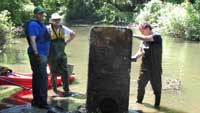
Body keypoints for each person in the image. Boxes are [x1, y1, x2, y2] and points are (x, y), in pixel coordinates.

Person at [131, 23, 162, 109]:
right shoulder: (143, 39)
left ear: (148, 28)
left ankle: (157, 107)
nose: (141, 33)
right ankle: (139, 103)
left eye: (142, 31)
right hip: (144, 68)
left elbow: (147, 38)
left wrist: (132, 34)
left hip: (155, 68)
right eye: (140, 31)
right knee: (140, 85)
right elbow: (141, 51)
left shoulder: (157, 37)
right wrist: (134, 57)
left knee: (157, 89)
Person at [25, 6, 50, 109]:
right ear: (35, 14)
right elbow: (32, 39)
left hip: (41, 54)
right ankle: (43, 103)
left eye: (42, 13)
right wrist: (36, 53)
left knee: (37, 78)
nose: (41, 15)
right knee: (42, 79)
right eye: (39, 13)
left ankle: (36, 101)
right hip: (38, 55)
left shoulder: (39, 24)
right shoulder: (33, 24)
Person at [47, 13, 75, 97]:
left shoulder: (63, 28)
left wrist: (66, 42)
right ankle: (54, 89)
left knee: (65, 72)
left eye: (58, 20)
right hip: (51, 55)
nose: (57, 21)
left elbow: (73, 34)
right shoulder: (47, 29)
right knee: (53, 73)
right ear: (51, 21)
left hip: (62, 55)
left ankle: (66, 90)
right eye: (55, 20)